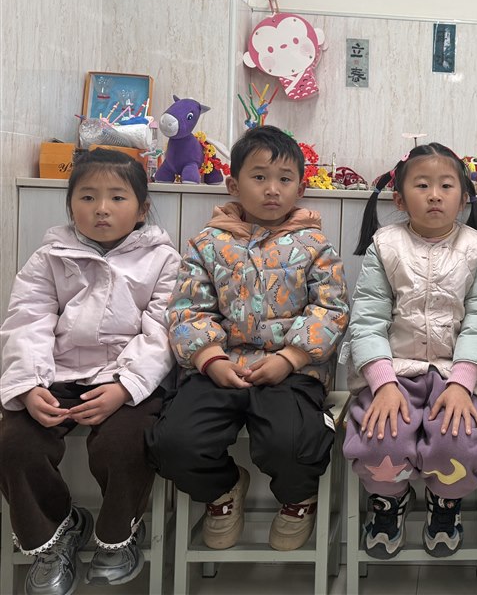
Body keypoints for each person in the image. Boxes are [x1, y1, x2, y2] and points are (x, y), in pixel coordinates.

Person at [146, 125, 349, 552]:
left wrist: (290, 358)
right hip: (218, 369)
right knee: (174, 442)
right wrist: (211, 359)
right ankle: (222, 489)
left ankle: (298, 498)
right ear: (234, 185)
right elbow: (187, 309)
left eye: (284, 179)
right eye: (259, 177)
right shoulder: (207, 243)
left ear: (300, 188)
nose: (272, 189)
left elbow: (331, 309)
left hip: (291, 372)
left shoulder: (314, 245)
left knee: (292, 441)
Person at [0, 149, 180, 595]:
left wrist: (125, 386)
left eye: (117, 197)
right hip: (56, 374)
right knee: (14, 443)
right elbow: (27, 322)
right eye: (87, 197)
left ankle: (119, 533)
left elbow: (162, 332)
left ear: (141, 209)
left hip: (126, 379)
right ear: (70, 205)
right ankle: (55, 532)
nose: (101, 208)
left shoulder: (162, 260)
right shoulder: (49, 257)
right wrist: (29, 387)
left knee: (124, 444)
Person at [342, 143, 477, 559]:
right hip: (394, 372)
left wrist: (463, 383)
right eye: (422, 185)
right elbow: (368, 319)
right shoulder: (385, 244)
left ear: (462, 199)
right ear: (399, 198)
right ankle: (388, 501)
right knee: (381, 439)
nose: (434, 195)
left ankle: (445, 502)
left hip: (455, 374)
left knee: (457, 441)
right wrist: (383, 384)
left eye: (446, 186)